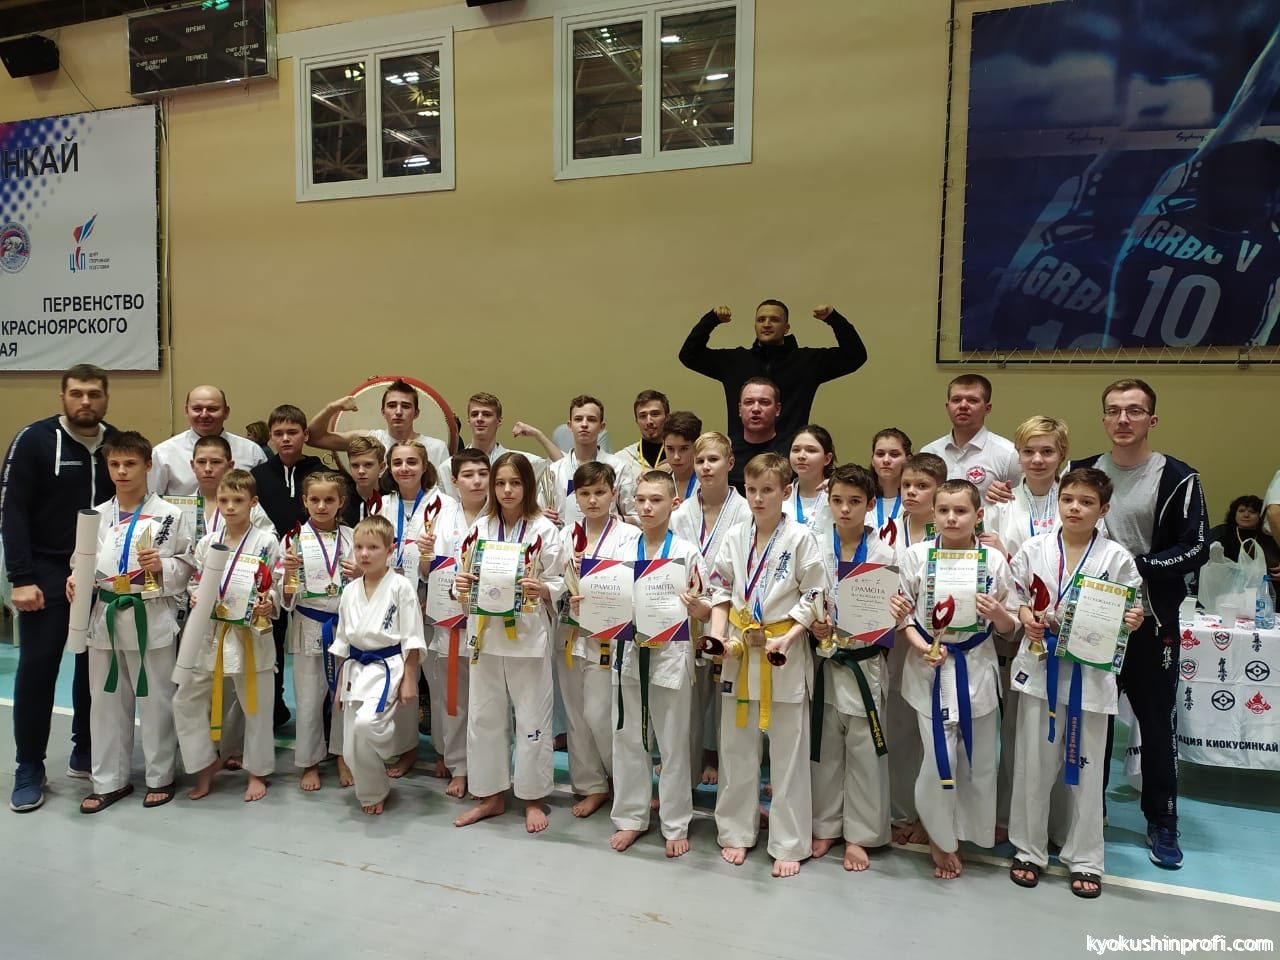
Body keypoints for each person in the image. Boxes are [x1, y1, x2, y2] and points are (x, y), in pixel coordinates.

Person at [1073, 378, 1207, 868]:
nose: (1123, 419)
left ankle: (1162, 820)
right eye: (1113, 410)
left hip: (1150, 623)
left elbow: (1196, 548)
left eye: (1134, 410)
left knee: (1155, 723)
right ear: (1103, 418)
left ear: (1152, 419)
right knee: (1091, 719)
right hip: (1092, 620)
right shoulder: (1082, 470)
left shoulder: (1178, 477)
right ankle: (1089, 814)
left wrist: (1136, 567)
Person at [1008, 467, 1144, 899]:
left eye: (1086, 502)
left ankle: (1085, 858)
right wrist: (1026, 617)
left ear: (1103, 510)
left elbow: (1132, 608)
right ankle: (1028, 850)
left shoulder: (1117, 558)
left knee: (1086, 769)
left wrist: (1133, 618)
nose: (1075, 508)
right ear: (1059, 501)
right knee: (1034, 764)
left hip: (1090, 672)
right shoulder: (1033, 548)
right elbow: (1015, 597)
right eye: (1068, 499)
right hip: (1040, 666)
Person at [705, 452, 828, 878]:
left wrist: (789, 637)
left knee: (788, 752)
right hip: (740, 649)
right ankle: (736, 831)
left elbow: (815, 594)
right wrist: (719, 637)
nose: (758, 498)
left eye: (768, 490)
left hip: (782, 653)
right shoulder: (736, 535)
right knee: (735, 748)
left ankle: (789, 842)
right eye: (752, 490)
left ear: (786, 492)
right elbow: (720, 589)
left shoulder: (801, 538)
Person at [892, 479, 1019, 880]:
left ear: (978, 516)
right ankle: (939, 836)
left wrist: (997, 613)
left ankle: (967, 831)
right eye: (944, 510)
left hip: (977, 665)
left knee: (978, 761)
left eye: (961, 511)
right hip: (929, 666)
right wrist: (920, 646)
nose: (951, 518)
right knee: (938, 759)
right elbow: (902, 616)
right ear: (932, 514)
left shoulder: (993, 561)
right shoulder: (916, 556)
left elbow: (1010, 627)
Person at [3, 363, 113, 812]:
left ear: (106, 398)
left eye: (94, 393)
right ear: (63, 396)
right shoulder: (34, 440)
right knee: (39, 665)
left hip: (100, 571)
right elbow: (12, 510)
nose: (85, 401)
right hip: (46, 569)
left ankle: (84, 746)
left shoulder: (115, 443)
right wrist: (21, 578)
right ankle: (29, 765)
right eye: (77, 393)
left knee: (94, 663)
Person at [72, 431, 194, 813]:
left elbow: (188, 566)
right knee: (105, 702)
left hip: (150, 615)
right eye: (114, 464)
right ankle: (109, 780)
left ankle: (160, 776)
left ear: (148, 465)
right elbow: (81, 561)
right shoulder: (95, 516)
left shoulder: (171, 515)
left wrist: (164, 565)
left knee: (156, 700)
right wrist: (75, 579)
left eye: (130, 463)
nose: (122, 471)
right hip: (106, 615)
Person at [452, 452, 565, 833]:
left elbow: (561, 581)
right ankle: (490, 794)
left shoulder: (544, 530)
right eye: (500, 483)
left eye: (515, 483)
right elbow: (461, 580)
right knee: (484, 717)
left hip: (528, 638)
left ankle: (533, 796)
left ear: (527, 486)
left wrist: (544, 589)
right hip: (485, 635)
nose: (507, 490)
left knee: (532, 718)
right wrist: (459, 586)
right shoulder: (479, 529)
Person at [606, 471, 708, 858]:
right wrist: (590, 603)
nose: (647, 507)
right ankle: (631, 817)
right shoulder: (621, 548)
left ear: (674, 504)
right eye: (641, 500)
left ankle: (675, 822)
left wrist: (698, 608)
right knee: (628, 739)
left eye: (656, 500)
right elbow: (608, 598)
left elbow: (706, 604)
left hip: (670, 656)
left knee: (672, 743)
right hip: (629, 653)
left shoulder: (686, 551)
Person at [173, 469, 281, 803]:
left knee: (255, 706)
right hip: (210, 634)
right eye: (224, 500)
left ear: (253, 502)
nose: (230, 507)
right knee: (185, 700)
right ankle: (204, 764)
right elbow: (195, 581)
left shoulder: (266, 541)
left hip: (250, 634)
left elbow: (275, 584)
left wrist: (269, 602)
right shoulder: (208, 543)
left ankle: (257, 772)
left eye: (238, 500)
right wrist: (195, 595)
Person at [808, 464, 896, 871]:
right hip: (824, 659)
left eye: (855, 502)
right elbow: (802, 595)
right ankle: (825, 826)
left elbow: (889, 611)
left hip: (864, 661)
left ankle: (860, 835)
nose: (845, 509)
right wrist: (813, 624)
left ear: (871, 504)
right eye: (838, 500)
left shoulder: (883, 552)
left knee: (864, 751)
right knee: (825, 748)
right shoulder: (814, 545)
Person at [557, 461, 638, 819]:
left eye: (600, 492)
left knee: (601, 714)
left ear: (613, 494)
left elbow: (634, 584)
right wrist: (565, 592)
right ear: (575, 496)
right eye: (585, 493)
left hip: (608, 638)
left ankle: (623, 782)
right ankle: (592, 785)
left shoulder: (630, 536)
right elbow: (551, 579)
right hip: (570, 632)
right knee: (576, 714)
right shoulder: (565, 535)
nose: (592, 500)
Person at [331, 515, 427, 815]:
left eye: (373, 547)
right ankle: (374, 792)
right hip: (354, 669)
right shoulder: (349, 591)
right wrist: (338, 686)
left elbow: (412, 637)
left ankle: (392, 746)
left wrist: (409, 678)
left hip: (387, 667)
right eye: (359, 547)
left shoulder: (401, 587)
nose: (364, 554)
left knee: (367, 725)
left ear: (390, 550)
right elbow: (342, 640)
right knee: (350, 747)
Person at [671, 431, 750, 789]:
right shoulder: (680, 513)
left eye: (713, 459)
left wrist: (713, 610)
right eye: (700, 460)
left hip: (728, 618)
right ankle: (681, 787)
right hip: (686, 617)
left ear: (730, 463)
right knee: (686, 708)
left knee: (729, 710)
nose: (705, 467)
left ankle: (733, 795)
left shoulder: (746, 511)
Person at [678, 301, 867, 449]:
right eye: (761, 320)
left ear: (787, 327)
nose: (767, 324)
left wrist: (834, 319)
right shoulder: (735, 361)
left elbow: (855, 356)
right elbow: (689, 356)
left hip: (788, 455)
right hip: (741, 454)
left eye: (774, 320)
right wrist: (710, 320)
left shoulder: (807, 362)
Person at [379, 439, 455, 777]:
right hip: (393, 607)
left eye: (412, 461)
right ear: (389, 468)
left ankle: (444, 751)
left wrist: (431, 593)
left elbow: (452, 556)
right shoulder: (381, 504)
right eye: (397, 462)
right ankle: (406, 749)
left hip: (431, 607)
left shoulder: (445, 506)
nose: (404, 468)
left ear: (425, 466)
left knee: (437, 684)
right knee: (399, 679)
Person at [882, 451, 946, 846]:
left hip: (937, 648)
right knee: (899, 729)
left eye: (922, 486)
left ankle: (930, 817)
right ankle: (899, 810)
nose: (911, 492)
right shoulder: (885, 531)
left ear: (940, 491)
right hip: (893, 644)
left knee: (932, 735)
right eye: (906, 485)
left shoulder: (953, 536)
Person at [252, 405, 329, 729]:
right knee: (271, 637)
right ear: (271, 437)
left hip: (315, 569)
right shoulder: (258, 476)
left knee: (318, 643)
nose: (285, 439)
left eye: (292, 432)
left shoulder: (320, 472)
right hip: (272, 568)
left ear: (305, 435)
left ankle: (326, 712)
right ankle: (274, 706)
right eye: (279, 433)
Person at [279, 471, 356, 792]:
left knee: (345, 695)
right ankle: (309, 762)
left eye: (329, 499)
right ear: (305, 501)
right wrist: (288, 577)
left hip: (347, 626)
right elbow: (284, 597)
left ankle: (342, 755)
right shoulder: (292, 540)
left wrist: (361, 573)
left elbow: (371, 582)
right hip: (308, 623)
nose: (322, 506)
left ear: (341, 502)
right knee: (309, 698)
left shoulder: (352, 537)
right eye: (315, 499)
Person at [421, 448, 490, 800]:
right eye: (468, 475)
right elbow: (426, 573)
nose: (476, 481)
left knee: (488, 703)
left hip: (490, 625)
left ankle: (487, 769)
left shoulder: (501, 516)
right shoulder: (439, 518)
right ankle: (459, 766)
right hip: (449, 621)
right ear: (454, 480)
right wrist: (424, 556)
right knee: (454, 700)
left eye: (482, 473)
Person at [307, 379, 451, 475]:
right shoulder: (369, 441)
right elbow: (313, 438)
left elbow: (446, 495)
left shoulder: (436, 448)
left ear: (416, 413)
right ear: (383, 412)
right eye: (392, 406)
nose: (398, 412)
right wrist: (332, 408)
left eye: (406, 406)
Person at [148, 385, 267, 496]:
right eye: (197, 409)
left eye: (212, 409)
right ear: (187, 411)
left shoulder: (252, 452)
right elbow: (152, 502)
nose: (204, 415)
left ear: (226, 412)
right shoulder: (163, 454)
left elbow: (264, 499)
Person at [538, 395, 636, 527]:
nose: (584, 424)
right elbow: (539, 515)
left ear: (601, 427)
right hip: (564, 538)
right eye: (578, 419)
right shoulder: (553, 471)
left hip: (609, 537)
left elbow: (636, 517)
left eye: (591, 419)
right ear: (570, 425)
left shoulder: (618, 467)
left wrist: (617, 519)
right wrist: (541, 518)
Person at [438, 392, 561, 497]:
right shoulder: (449, 466)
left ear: (499, 421)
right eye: (475, 414)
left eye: (487, 414)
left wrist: (538, 434)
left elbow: (562, 468)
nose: (479, 419)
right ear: (469, 421)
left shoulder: (517, 461)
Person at [921, 374, 1020, 498]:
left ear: (987, 408)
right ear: (947, 407)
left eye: (972, 400)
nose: (963, 405)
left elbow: (1022, 503)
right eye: (956, 400)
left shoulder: (1009, 455)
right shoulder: (928, 453)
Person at [189, 434, 275, 537]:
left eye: (216, 462)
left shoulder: (247, 504)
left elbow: (270, 540)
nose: (208, 469)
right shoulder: (182, 506)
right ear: (193, 465)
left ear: (230, 466)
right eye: (201, 462)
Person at [727, 378, 791, 492]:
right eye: (749, 402)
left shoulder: (792, 451)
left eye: (764, 402)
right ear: (740, 409)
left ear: (777, 409)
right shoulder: (726, 450)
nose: (756, 409)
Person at [782, 424, 835, 535]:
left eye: (811, 450)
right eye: (796, 450)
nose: (801, 456)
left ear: (827, 458)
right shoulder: (780, 495)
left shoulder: (838, 495)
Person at [1208, 495, 1280, 573]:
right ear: (1234, 514)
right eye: (1241, 511)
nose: (1246, 515)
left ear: (1260, 515)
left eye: (1252, 512)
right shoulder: (1221, 532)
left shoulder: (1269, 536)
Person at [615, 390, 670, 475]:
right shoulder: (621, 460)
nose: (649, 421)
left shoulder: (679, 458)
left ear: (667, 418)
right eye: (643, 416)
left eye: (655, 414)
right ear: (637, 421)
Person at [869, 428, 912, 530]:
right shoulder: (861, 500)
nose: (886, 460)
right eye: (880, 454)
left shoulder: (916, 501)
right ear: (872, 460)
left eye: (894, 454)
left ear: (908, 460)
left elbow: (930, 535)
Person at [339, 435, 386, 526]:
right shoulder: (341, 498)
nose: (361, 471)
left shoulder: (393, 497)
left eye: (368, 465)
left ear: (381, 467)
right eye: (355, 465)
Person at [660, 410, 703, 505]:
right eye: (670, 449)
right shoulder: (658, 484)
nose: (676, 457)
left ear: (696, 446)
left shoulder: (708, 483)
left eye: (683, 449)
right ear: (663, 446)